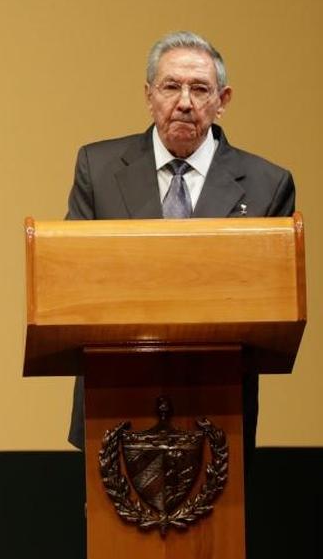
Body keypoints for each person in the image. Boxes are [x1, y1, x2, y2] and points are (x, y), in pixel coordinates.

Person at [65, 31, 295, 455]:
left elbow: (268, 302)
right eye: (171, 86)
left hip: (219, 408)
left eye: (200, 89)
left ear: (222, 100)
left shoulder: (267, 184)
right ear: (149, 95)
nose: (185, 101)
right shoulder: (97, 169)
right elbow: (72, 282)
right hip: (112, 403)